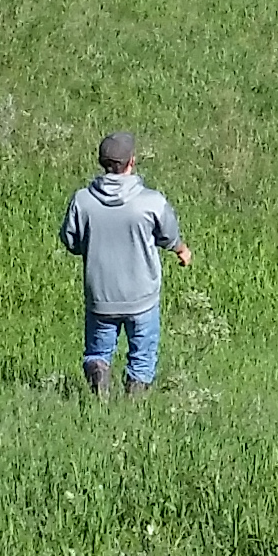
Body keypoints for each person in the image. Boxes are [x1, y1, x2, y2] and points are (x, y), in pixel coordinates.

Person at [63, 130, 196, 396]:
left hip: (101, 295)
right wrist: (182, 250)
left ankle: (98, 388)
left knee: (98, 350)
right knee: (142, 356)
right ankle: (134, 404)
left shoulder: (83, 201)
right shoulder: (151, 202)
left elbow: (71, 241)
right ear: (131, 162)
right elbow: (168, 235)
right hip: (142, 296)